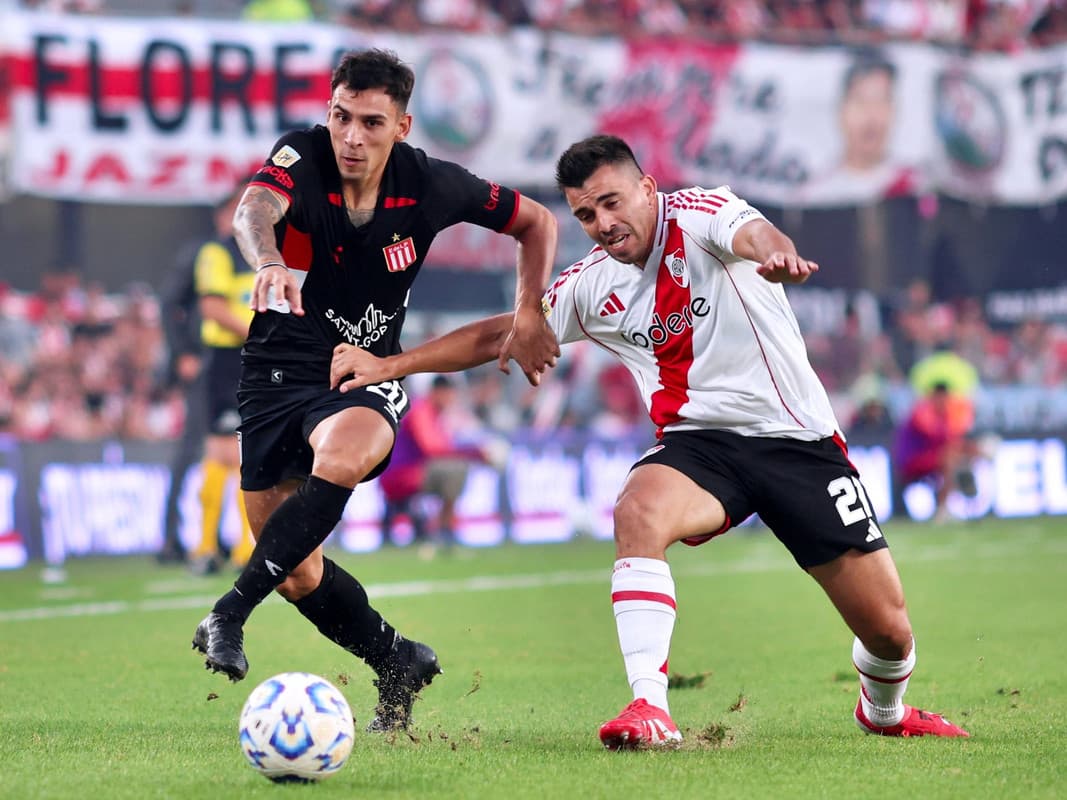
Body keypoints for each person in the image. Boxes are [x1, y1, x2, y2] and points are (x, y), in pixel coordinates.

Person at [329, 134, 970, 747]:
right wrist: (391, 365)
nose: (602, 223)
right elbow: (505, 331)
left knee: (889, 633)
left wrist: (774, 252)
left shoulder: (700, 213)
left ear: (647, 187)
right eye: (585, 214)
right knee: (637, 509)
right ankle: (650, 707)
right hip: (699, 447)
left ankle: (883, 712)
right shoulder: (590, 284)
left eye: (611, 202)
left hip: (794, 442)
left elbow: (752, 233)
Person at [191, 49, 560, 734]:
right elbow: (254, 211)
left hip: (361, 366)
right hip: (272, 370)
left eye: (369, 122)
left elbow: (535, 222)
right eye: (340, 117)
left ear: (402, 125)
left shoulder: (433, 183)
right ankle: (397, 658)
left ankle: (229, 612)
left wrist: (528, 308)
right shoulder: (300, 155)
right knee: (297, 572)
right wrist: (269, 261)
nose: (351, 136)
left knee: (343, 451)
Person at [187, 182, 258, 575]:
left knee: (246, 453)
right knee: (223, 453)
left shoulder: (258, 253)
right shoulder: (217, 252)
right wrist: (261, 336)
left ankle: (240, 547)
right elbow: (213, 308)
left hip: (252, 362)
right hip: (228, 360)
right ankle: (207, 546)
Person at [379, 374, 486, 554]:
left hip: (408, 472)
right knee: (456, 470)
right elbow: (432, 448)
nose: (451, 400)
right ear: (437, 392)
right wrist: (473, 453)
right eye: (449, 394)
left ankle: (443, 531)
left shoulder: (433, 413)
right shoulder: (420, 409)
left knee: (455, 468)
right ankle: (444, 532)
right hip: (399, 475)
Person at [802, 49, 917, 206]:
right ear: (841, 109)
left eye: (881, 100)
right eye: (860, 101)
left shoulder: (915, 185)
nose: (872, 116)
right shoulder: (815, 193)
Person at [892, 381, 980, 522]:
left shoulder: (943, 415)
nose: (944, 401)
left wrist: (971, 450)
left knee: (958, 456)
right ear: (934, 397)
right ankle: (943, 508)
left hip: (930, 457)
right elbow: (940, 438)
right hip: (911, 460)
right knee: (950, 457)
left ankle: (963, 494)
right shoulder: (922, 413)